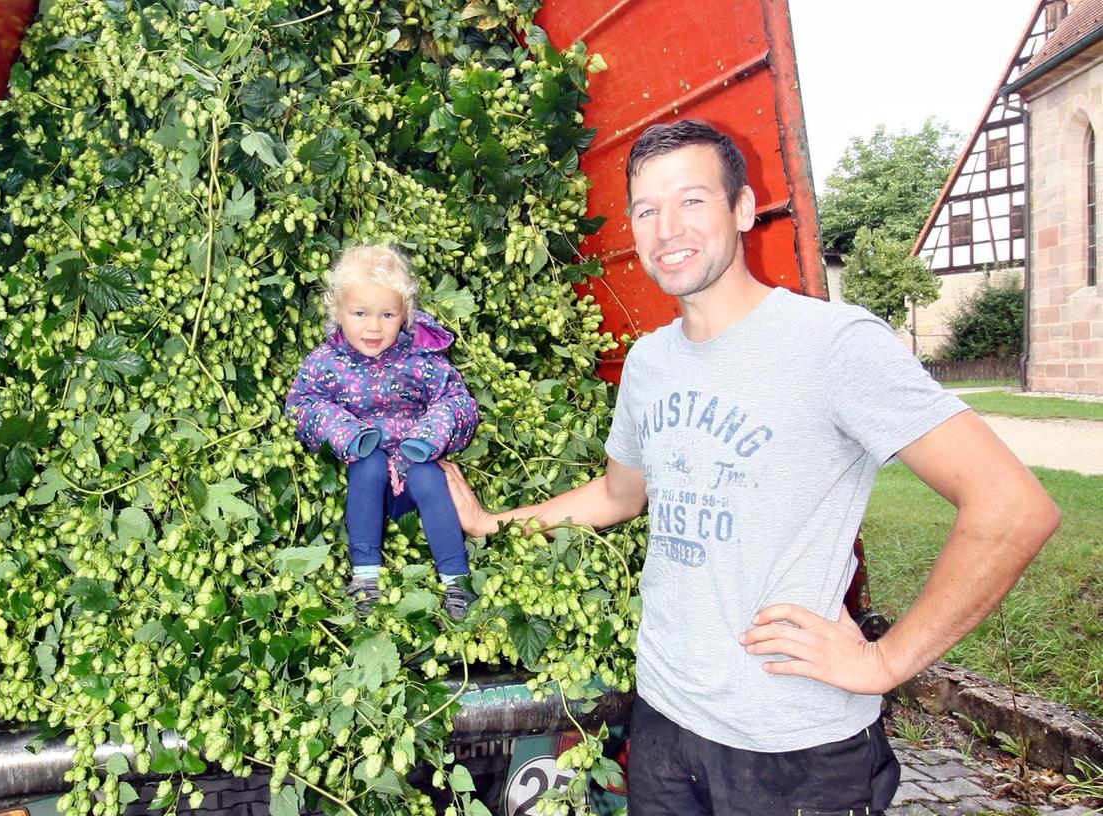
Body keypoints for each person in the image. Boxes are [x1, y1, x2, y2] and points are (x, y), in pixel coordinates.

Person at [440, 120, 1059, 815]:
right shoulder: (649, 364)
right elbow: (619, 495)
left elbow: (1012, 507)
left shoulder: (831, 344)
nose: (666, 226)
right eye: (646, 209)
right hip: (667, 723)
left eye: (692, 200)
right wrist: (492, 523)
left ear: (743, 208)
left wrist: (888, 662)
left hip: (793, 751)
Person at [286, 244, 480, 620]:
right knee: (369, 463)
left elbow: (458, 402)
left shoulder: (421, 359)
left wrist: (428, 438)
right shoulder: (326, 363)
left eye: (387, 315)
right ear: (337, 312)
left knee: (429, 475)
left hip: (414, 465)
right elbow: (302, 405)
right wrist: (346, 433)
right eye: (360, 313)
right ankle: (364, 577)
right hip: (365, 482)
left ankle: (456, 581)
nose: (373, 327)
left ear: (404, 315)